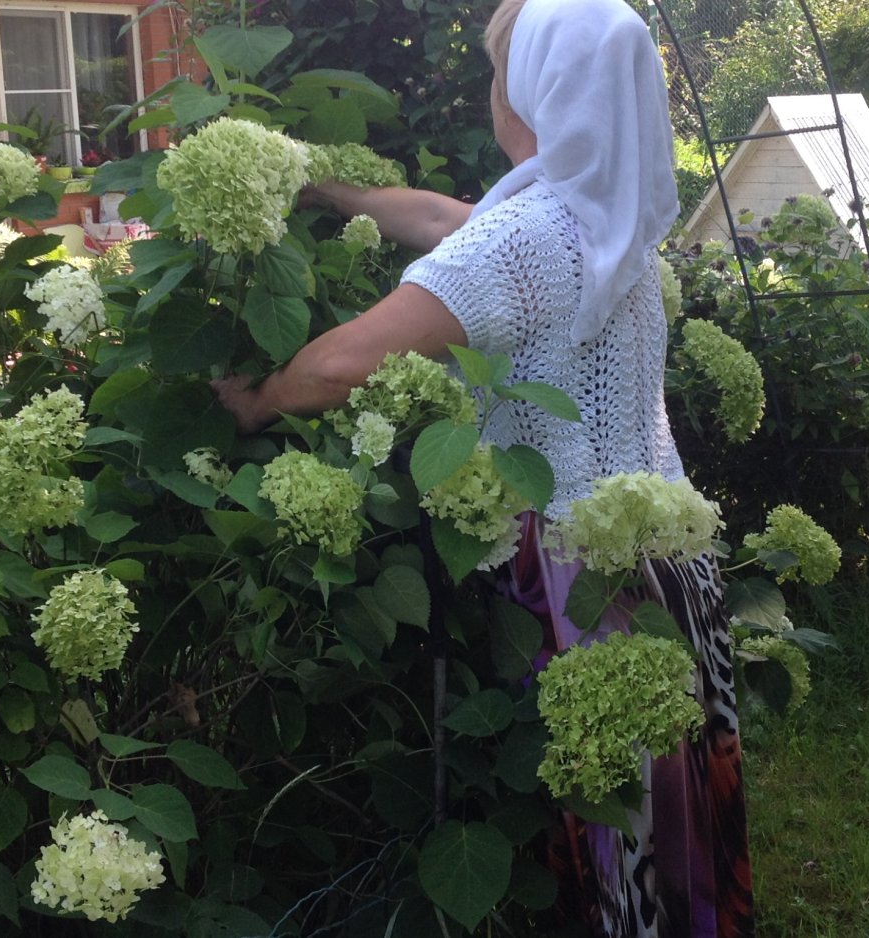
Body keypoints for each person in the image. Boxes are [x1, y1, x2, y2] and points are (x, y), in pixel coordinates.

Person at [213, 0, 755, 934]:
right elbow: (437, 218)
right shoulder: (606, 215)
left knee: (591, 818)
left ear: (541, 94)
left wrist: (258, 400)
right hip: (669, 562)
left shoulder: (526, 240)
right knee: (661, 803)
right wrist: (330, 194)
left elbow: (347, 362)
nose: (490, 93)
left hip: (579, 576)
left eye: (502, 74)